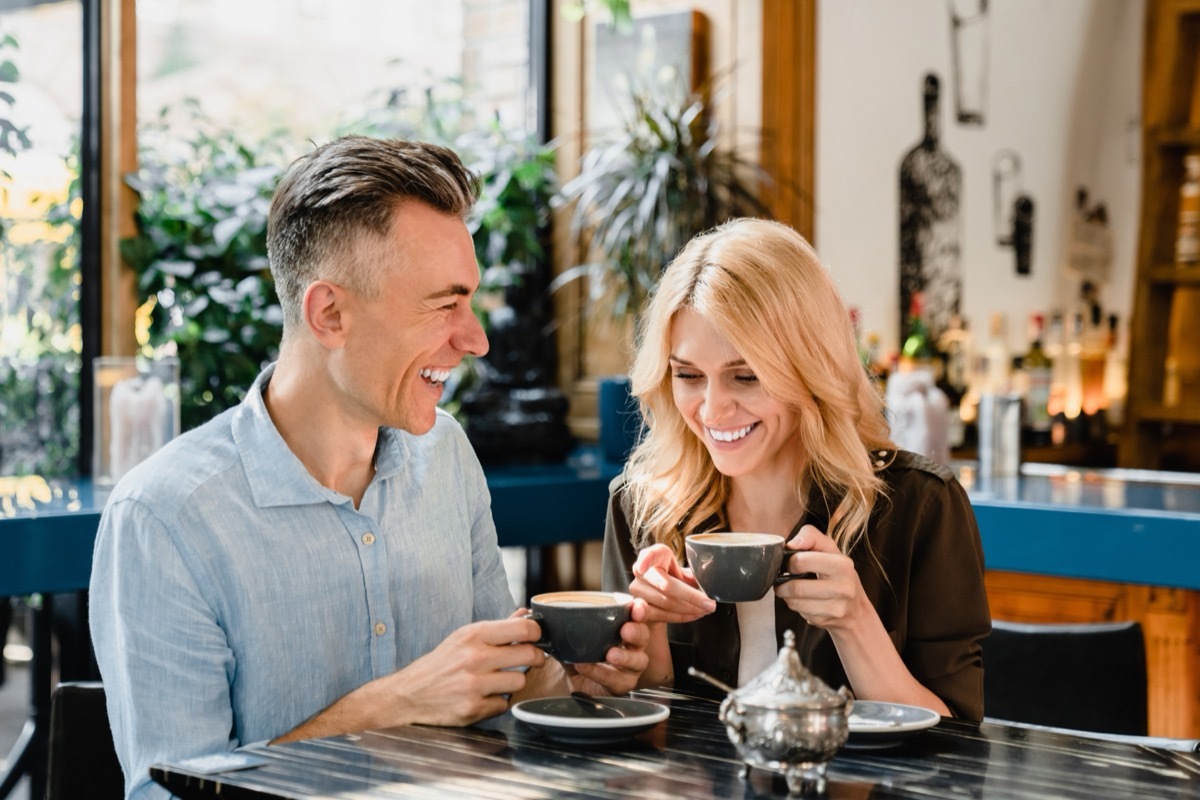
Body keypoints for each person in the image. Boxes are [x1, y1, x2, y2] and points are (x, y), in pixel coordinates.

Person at [89, 135, 649, 799]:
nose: (476, 340)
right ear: (329, 313)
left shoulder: (448, 455)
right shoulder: (164, 518)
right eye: (444, 304)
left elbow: (499, 697)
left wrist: (570, 678)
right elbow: (167, 794)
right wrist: (394, 704)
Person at [600, 217, 989, 720]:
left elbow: (956, 742)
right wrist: (647, 630)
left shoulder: (920, 507)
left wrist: (853, 621)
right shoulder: (640, 506)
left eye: (745, 376)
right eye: (689, 376)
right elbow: (638, 737)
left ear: (812, 368)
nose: (713, 410)